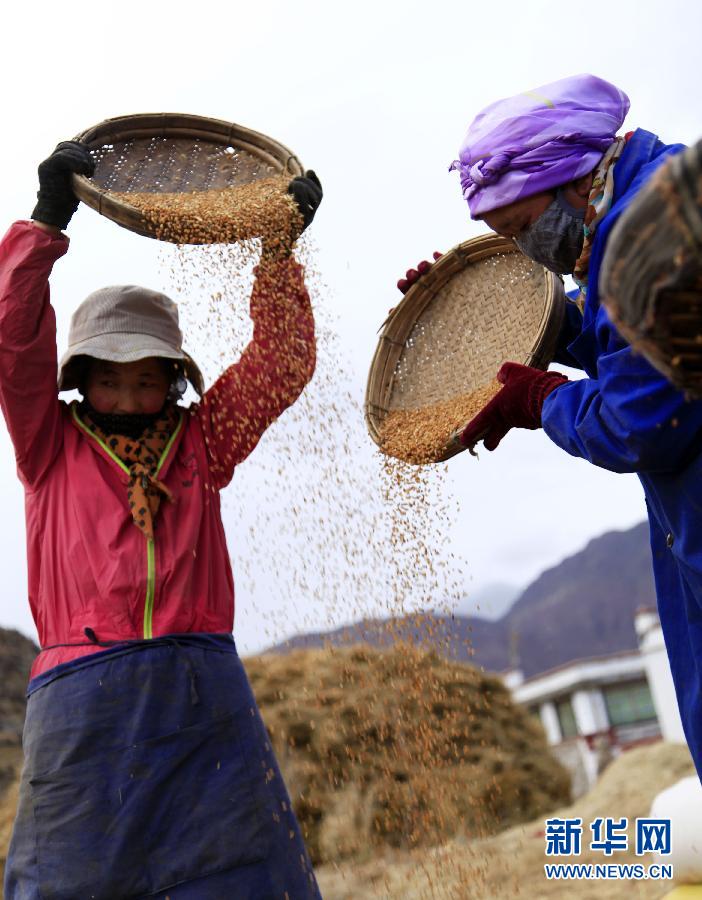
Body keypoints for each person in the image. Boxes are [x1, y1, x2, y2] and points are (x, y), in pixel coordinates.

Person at [0, 141, 323, 898]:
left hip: (199, 688)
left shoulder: (201, 441)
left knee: (240, 878)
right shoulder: (49, 444)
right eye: (110, 379)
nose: (131, 396)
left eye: (149, 380)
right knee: (67, 883)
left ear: (174, 381)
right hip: (84, 696)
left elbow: (282, 361)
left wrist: (278, 250)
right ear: (82, 380)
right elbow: (13, 341)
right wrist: (46, 222)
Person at [402, 74, 702, 780]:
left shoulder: (653, 240)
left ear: (571, 180)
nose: (524, 249)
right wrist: (513, 326)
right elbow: (626, 343)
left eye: (517, 228)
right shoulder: (629, 214)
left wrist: (540, 402)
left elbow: (641, 424)